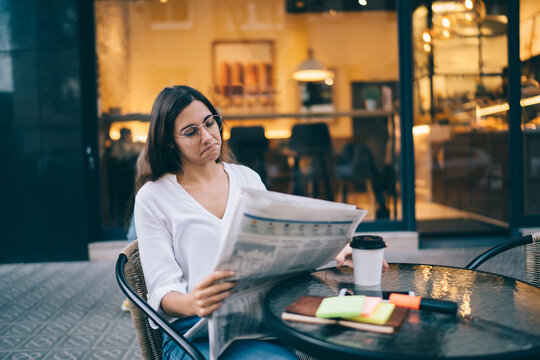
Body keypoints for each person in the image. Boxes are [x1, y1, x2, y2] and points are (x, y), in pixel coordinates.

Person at [133, 86, 298, 359]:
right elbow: (162, 292)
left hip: (256, 322)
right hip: (194, 333)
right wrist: (193, 303)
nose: (207, 136)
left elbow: (277, 244)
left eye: (210, 122)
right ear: (169, 142)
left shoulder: (248, 178)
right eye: (191, 131)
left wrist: (335, 250)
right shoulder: (154, 197)